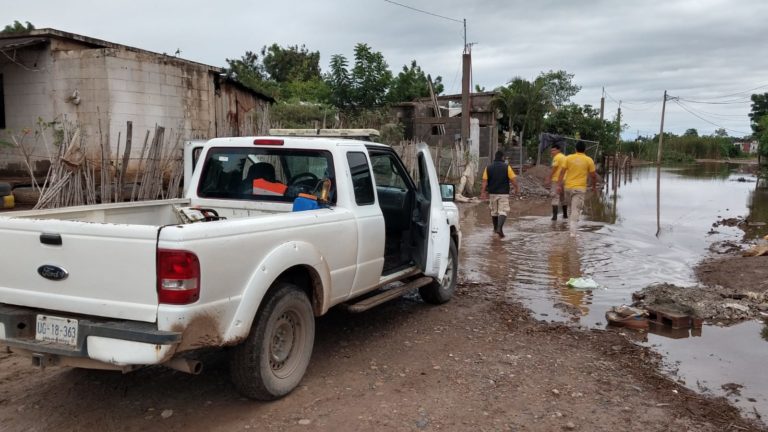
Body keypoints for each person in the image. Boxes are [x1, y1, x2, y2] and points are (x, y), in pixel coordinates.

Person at [557, 141, 597, 237]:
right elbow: (593, 176)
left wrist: (559, 185)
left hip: (568, 188)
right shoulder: (589, 160)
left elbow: (562, 172)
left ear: (575, 149)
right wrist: (594, 186)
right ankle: (573, 233)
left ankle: (571, 229)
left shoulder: (568, 158)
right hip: (579, 189)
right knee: (576, 210)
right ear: (585, 150)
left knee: (571, 209)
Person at [480, 150, 520, 238]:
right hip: (503, 193)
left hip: (492, 193)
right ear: (502, 157)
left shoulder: (488, 167)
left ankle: (495, 230)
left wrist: (483, 192)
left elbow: (484, 181)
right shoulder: (507, 167)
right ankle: (499, 228)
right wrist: (516, 188)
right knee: (503, 211)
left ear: (495, 157)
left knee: (494, 212)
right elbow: (513, 180)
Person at [546, 143, 567, 220]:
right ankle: (565, 215)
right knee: (563, 197)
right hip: (565, 180)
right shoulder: (565, 157)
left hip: (556, 180)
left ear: (558, 150)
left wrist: (548, 177)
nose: (552, 152)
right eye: (551, 150)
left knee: (555, 197)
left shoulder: (556, 157)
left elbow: (554, 169)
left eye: (554, 150)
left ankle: (554, 217)